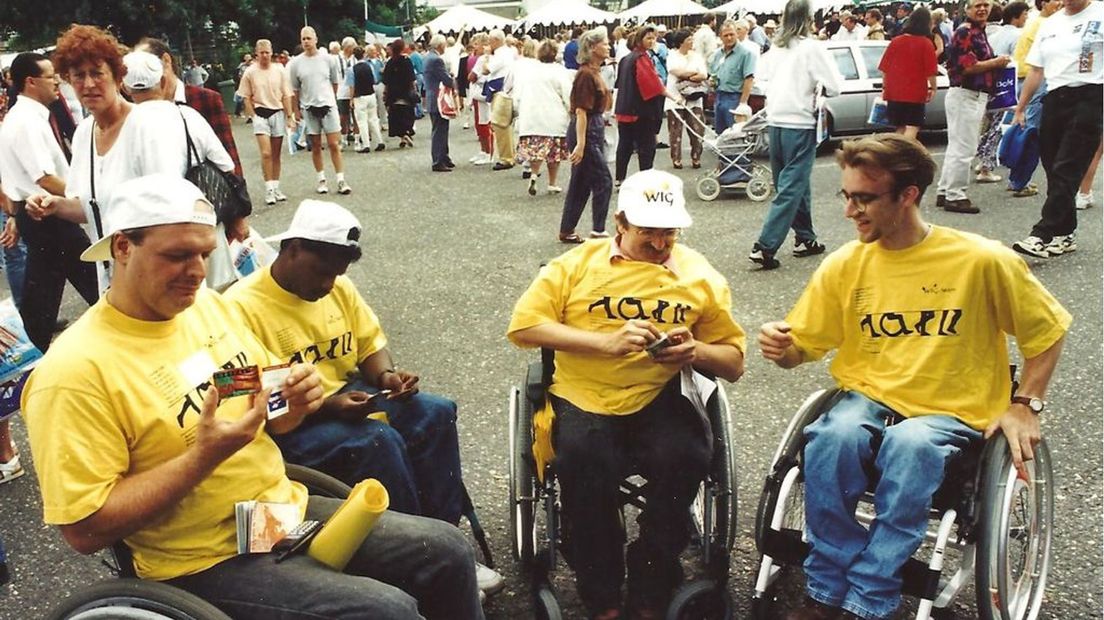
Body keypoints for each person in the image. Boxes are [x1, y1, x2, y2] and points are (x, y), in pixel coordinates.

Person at [23, 173, 485, 620]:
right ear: (122, 246)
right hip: (199, 559)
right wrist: (203, 457)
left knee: (445, 550)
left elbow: (264, 408)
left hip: (272, 515)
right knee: (387, 610)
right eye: (178, 255)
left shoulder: (206, 308)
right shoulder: (73, 373)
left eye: (205, 254)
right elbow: (84, 529)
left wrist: (295, 401)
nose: (197, 273)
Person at [759, 134, 1070, 620]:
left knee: (911, 447)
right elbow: (804, 346)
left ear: (908, 195)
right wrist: (783, 349)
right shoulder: (845, 264)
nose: (850, 211)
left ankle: (869, 596)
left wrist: (1024, 404)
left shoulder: (981, 260)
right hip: (869, 398)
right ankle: (825, 585)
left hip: (951, 409)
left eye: (864, 199)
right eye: (846, 196)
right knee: (833, 437)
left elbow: (1047, 331)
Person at [224, 199, 504, 597]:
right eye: (322, 272)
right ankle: (422, 558)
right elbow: (243, 395)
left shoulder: (340, 290)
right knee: (376, 441)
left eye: (337, 275)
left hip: (349, 395)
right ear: (292, 249)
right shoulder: (239, 306)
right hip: (289, 423)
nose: (328, 285)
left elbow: (369, 344)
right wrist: (326, 406)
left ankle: (448, 542)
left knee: (435, 413)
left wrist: (387, 376)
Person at [509, 169, 746, 620]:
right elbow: (523, 327)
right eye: (648, 234)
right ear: (620, 223)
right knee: (582, 460)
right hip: (585, 391)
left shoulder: (700, 276)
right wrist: (606, 343)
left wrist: (694, 351)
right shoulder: (575, 266)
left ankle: (652, 576)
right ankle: (601, 593)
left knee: (688, 456)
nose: (660, 245)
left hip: (661, 393)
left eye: (669, 233)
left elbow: (733, 363)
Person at [0, 52, 98, 353]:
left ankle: (26, 355)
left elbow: (18, 178)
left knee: (43, 294)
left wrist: (16, 216)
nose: (57, 82)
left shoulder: (28, 117)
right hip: (50, 214)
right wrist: (87, 196)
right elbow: (43, 177)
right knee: (92, 276)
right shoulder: (27, 122)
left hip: (39, 215)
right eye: (49, 76)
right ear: (30, 82)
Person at [749, 0, 843, 270]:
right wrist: (817, 88)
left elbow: (760, 79)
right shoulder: (812, 48)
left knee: (791, 183)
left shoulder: (775, 48)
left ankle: (805, 237)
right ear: (809, 18)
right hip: (800, 121)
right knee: (792, 185)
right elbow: (835, 86)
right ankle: (765, 246)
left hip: (776, 119)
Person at [1011, 0, 1103, 258]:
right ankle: (1065, 233)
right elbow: (1036, 70)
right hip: (1054, 97)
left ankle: (1042, 234)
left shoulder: (1100, 13)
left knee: (1067, 167)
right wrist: (1020, 107)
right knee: (1053, 167)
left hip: (1091, 95)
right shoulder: (1049, 24)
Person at [933, 0, 1009, 214]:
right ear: (966, 9)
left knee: (957, 146)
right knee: (965, 148)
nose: (982, 9)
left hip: (969, 95)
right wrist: (997, 62)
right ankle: (955, 195)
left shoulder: (976, 31)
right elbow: (967, 67)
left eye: (986, 4)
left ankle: (946, 190)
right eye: (977, 5)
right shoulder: (965, 32)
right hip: (967, 94)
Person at [134, 38, 243, 176]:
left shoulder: (206, 99)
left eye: (146, 65)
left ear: (166, 61)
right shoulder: (136, 110)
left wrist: (238, 192)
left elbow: (230, 160)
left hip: (203, 192)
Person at [560, 28, 614, 244]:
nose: (609, 46)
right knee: (603, 180)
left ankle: (567, 229)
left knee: (581, 182)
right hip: (587, 129)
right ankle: (598, 229)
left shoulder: (594, 71)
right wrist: (581, 144)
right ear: (593, 47)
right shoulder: (585, 74)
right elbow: (581, 111)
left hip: (593, 126)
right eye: (605, 43)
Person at [1006, 0, 1064, 198]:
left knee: (1026, 129)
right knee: (1031, 133)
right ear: (1044, 4)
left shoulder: (1035, 22)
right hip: (1036, 80)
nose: (1060, 4)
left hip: (1025, 77)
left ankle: (1017, 179)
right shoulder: (1045, 24)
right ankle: (1020, 182)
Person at [614, 25, 681, 187]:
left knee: (625, 145)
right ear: (640, 39)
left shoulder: (625, 59)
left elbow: (619, 84)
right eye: (648, 38)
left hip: (624, 108)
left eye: (653, 38)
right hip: (640, 110)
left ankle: (619, 177)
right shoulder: (641, 58)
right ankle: (645, 177)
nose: (652, 41)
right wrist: (674, 97)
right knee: (646, 146)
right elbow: (654, 86)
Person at [289, 26, 352, 195]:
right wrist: (296, 110)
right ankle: (321, 179)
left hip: (328, 105)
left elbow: (335, 82)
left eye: (309, 38)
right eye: (303, 39)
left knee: (333, 144)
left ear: (316, 39)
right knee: (315, 145)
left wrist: (331, 99)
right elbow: (295, 89)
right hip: (309, 108)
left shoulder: (328, 59)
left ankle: (340, 179)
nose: (306, 42)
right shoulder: (296, 63)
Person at [237, 38, 296, 206]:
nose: (264, 56)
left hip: (277, 112)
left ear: (271, 53)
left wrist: (290, 116)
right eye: (261, 53)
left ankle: (276, 186)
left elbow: (286, 94)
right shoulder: (250, 72)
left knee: (276, 153)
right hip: (260, 114)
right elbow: (245, 96)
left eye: (267, 52)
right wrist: (252, 115)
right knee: (266, 153)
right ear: (256, 54)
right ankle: (268, 188)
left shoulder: (279, 71)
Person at [974, 2, 1027, 184]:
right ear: (1017, 16)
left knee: (987, 124)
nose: (1026, 18)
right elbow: (1018, 63)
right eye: (1025, 15)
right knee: (997, 127)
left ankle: (982, 160)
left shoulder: (996, 33)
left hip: (989, 83)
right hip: (1007, 83)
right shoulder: (1017, 35)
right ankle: (986, 166)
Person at [512, 40, 571, 194]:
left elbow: (517, 94)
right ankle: (552, 183)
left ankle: (533, 174)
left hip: (531, 117)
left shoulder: (530, 71)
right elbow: (567, 94)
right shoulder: (560, 71)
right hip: (553, 117)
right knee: (553, 154)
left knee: (536, 151)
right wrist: (571, 110)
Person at [878, 7, 939, 139]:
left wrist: (884, 87)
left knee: (899, 127)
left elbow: (885, 69)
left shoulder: (895, 41)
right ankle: (904, 153)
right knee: (913, 125)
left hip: (894, 92)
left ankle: (894, 153)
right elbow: (931, 72)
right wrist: (933, 88)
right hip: (915, 92)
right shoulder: (926, 44)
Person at [665, 29, 709, 169]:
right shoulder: (672, 56)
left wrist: (689, 75)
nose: (692, 42)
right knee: (675, 131)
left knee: (697, 129)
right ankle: (676, 159)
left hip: (695, 97)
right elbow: (675, 71)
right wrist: (694, 74)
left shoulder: (697, 57)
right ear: (681, 42)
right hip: (675, 98)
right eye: (689, 39)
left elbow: (704, 75)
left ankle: (696, 157)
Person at [709, 20, 757, 134]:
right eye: (726, 35)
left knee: (734, 135)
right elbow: (713, 73)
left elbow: (749, 79)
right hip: (719, 97)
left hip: (735, 98)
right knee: (720, 134)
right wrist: (711, 81)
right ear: (720, 37)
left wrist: (743, 103)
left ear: (737, 34)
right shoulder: (717, 54)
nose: (729, 38)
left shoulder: (746, 54)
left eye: (732, 34)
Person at [483, 29, 518, 171]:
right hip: (504, 89)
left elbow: (486, 70)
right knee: (504, 125)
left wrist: (486, 57)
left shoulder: (500, 54)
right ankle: (509, 155)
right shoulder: (507, 52)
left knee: (500, 124)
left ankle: (506, 158)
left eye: (490, 41)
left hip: (500, 91)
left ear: (496, 41)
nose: (488, 44)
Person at [424, 34, 457, 172]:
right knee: (440, 130)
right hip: (438, 98)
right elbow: (446, 79)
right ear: (440, 45)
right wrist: (452, 78)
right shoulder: (437, 60)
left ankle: (444, 157)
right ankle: (438, 160)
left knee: (441, 128)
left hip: (432, 96)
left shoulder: (428, 57)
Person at [383, 38, 417, 149]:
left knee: (395, 116)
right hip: (406, 91)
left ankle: (402, 136)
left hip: (393, 93)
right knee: (407, 114)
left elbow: (386, 80)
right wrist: (414, 90)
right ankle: (406, 133)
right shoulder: (407, 61)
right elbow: (412, 78)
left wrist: (385, 93)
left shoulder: (390, 62)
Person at [467, 35, 495, 165]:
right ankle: (484, 151)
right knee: (479, 123)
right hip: (480, 93)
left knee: (484, 123)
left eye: (477, 44)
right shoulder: (483, 59)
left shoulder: (483, 59)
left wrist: (473, 76)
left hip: (481, 94)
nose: (474, 46)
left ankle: (489, 152)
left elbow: (472, 76)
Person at [351, 46, 384, 153]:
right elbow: (374, 79)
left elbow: (352, 85)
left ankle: (366, 144)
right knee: (373, 119)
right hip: (371, 94)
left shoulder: (352, 69)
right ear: (364, 54)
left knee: (362, 121)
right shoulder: (369, 66)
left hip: (360, 96)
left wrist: (351, 98)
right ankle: (380, 141)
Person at [334, 37, 358, 149]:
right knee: (343, 117)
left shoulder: (355, 59)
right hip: (341, 92)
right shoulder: (336, 59)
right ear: (348, 47)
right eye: (353, 47)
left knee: (356, 115)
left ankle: (357, 140)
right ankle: (343, 139)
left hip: (354, 91)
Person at [234, 53, 252, 118]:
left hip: (252, 84)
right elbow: (239, 76)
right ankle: (238, 112)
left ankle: (250, 115)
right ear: (245, 59)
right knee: (241, 99)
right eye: (247, 59)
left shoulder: (253, 66)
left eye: (250, 59)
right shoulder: (242, 66)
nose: (249, 60)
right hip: (244, 84)